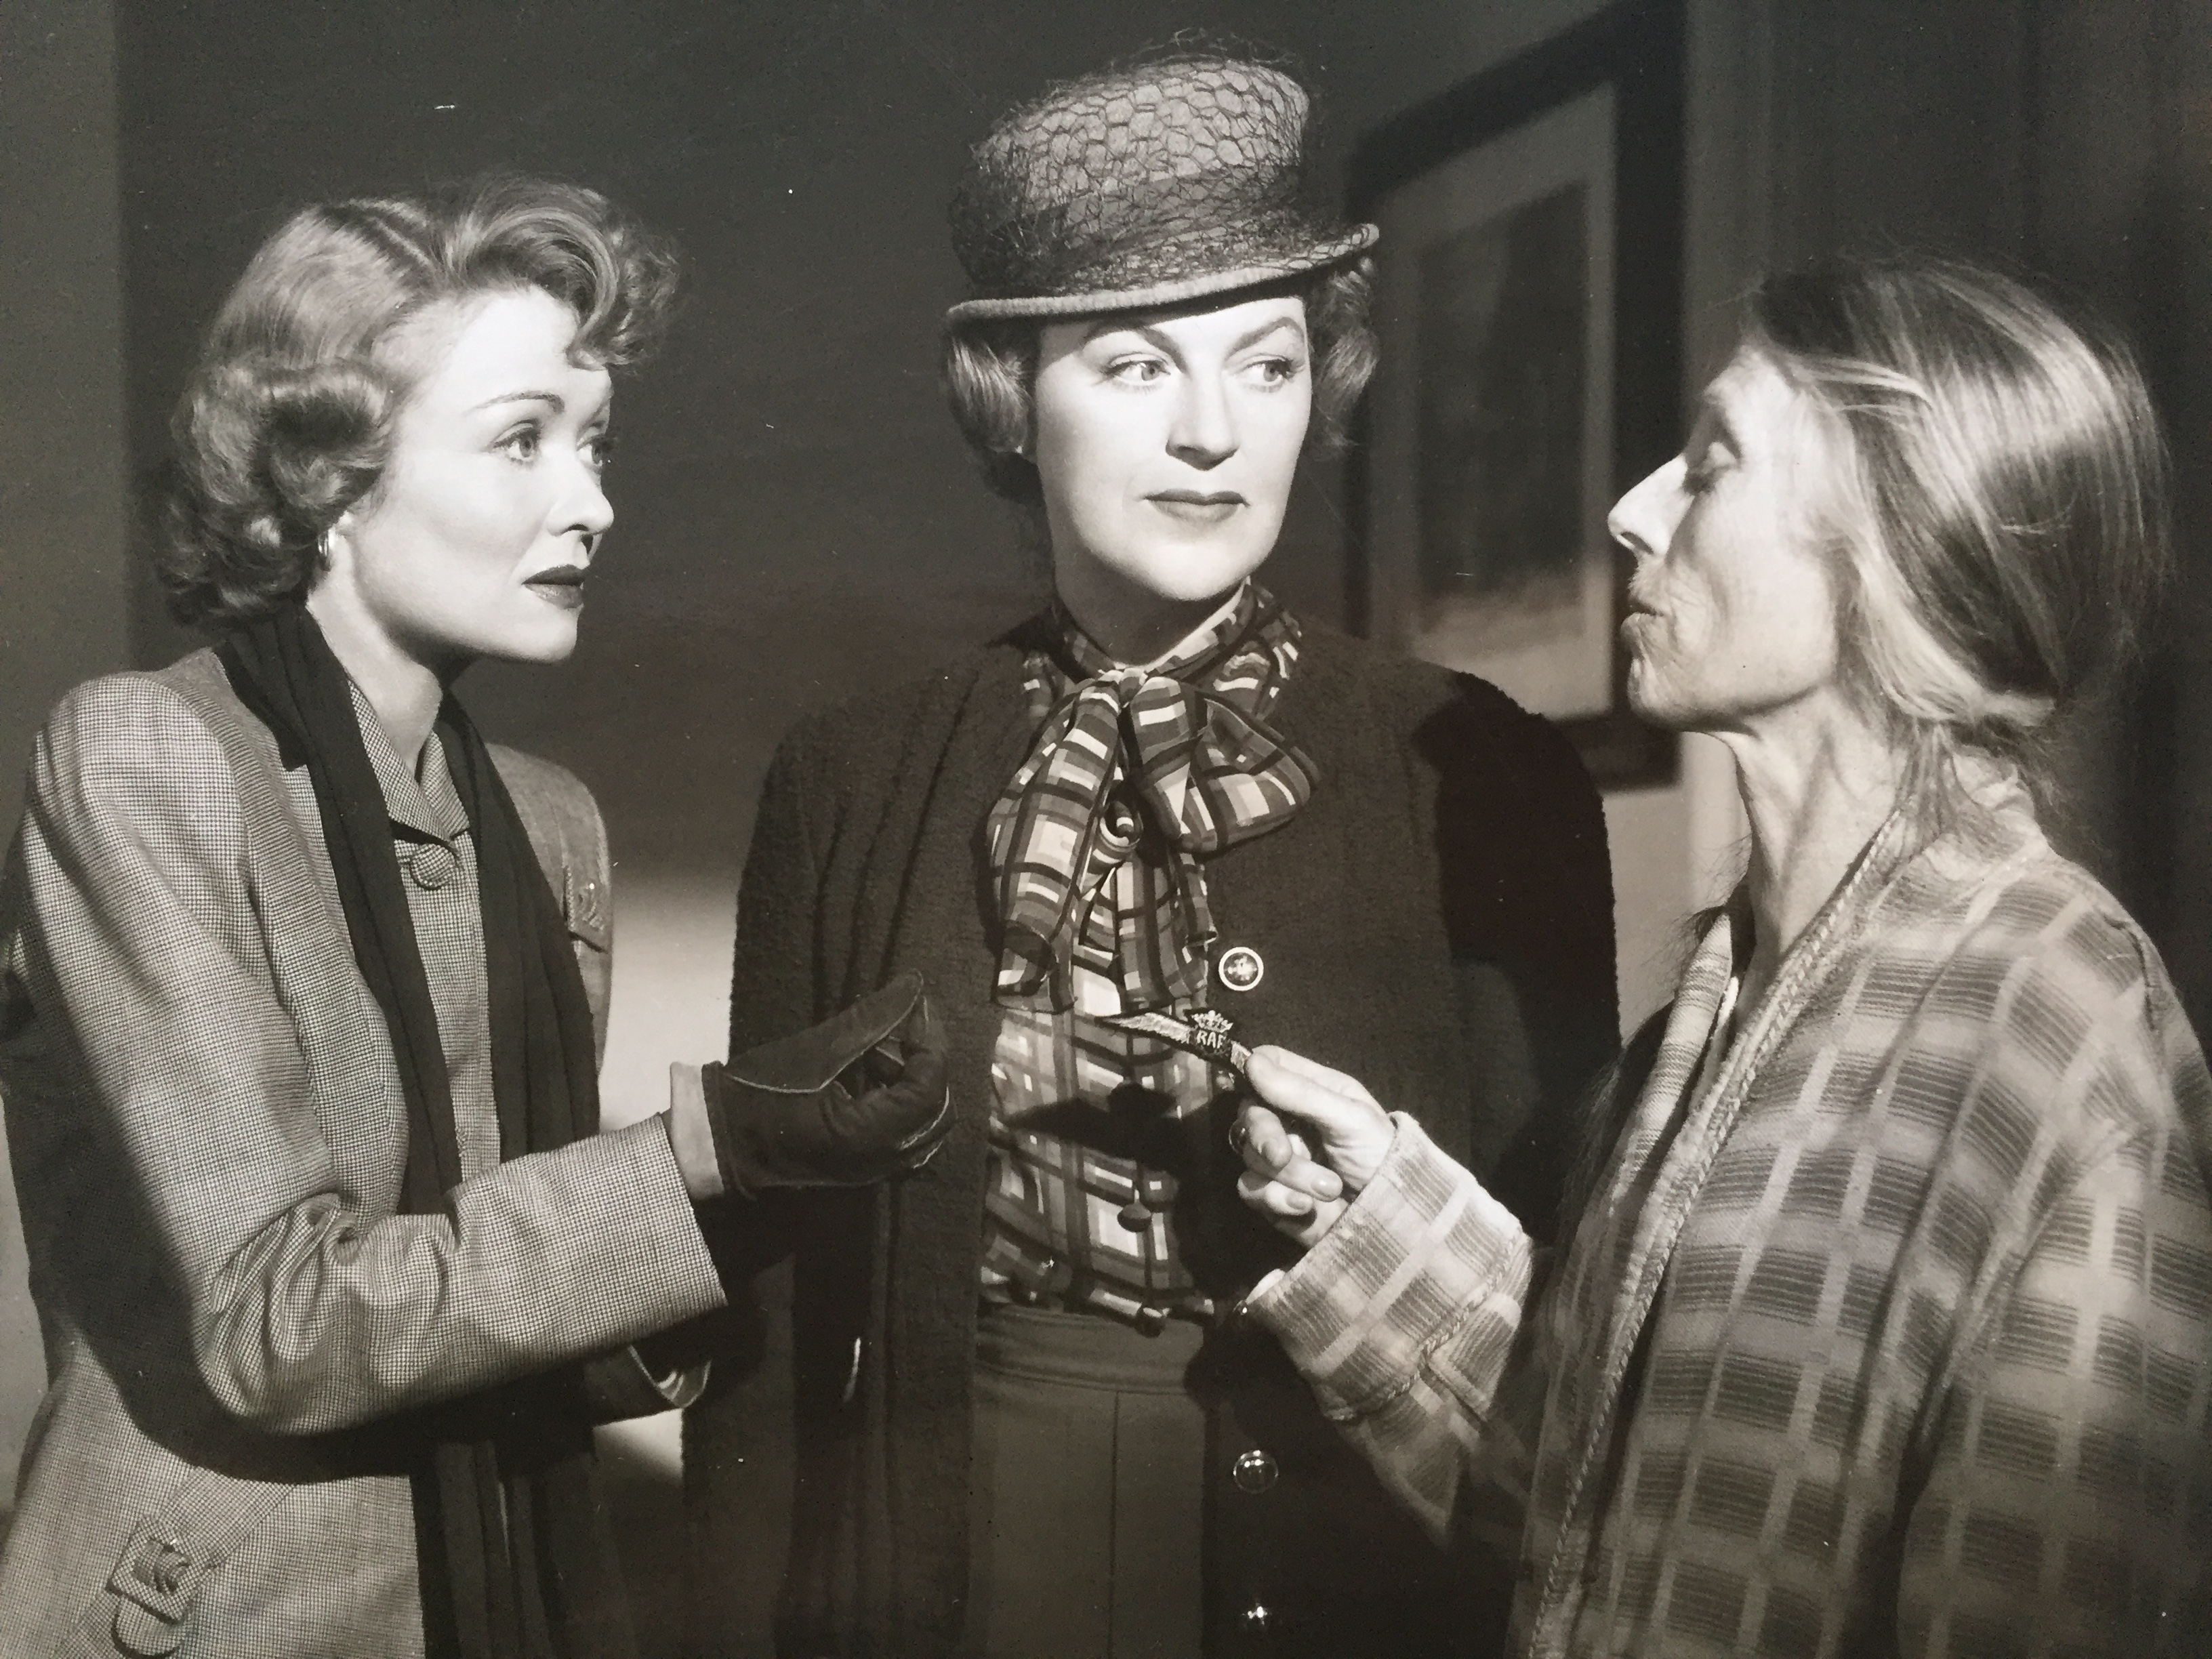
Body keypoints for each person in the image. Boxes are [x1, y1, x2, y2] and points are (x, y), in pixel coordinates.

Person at [682, 52, 1619, 1659]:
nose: (1211, 434)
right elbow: (768, 1309)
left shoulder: (1483, 767)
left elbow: (1557, 1296)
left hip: (1353, 1555)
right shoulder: (849, 779)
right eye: (1132, 368)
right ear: (1010, 404)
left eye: (1265, 367)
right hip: (957, 1530)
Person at [0, 173, 950, 1659]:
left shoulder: (549, 823)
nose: (593, 501)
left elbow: (508, 1292)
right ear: (328, 476)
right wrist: (702, 1146)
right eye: (522, 441)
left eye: (594, 445)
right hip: (202, 1625)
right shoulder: (144, 758)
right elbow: (279, 1327)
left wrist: (759, 1202)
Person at [1232, 255, 2212, 1657]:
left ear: (1900, 541)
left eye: (1710, 463)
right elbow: (1586, 1519)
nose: (1633, 512)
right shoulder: (1729, 988)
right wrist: (1372, 1222)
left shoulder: (2054, 1023)